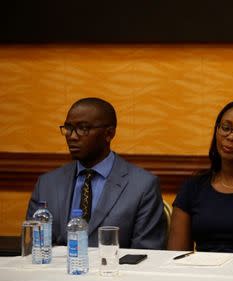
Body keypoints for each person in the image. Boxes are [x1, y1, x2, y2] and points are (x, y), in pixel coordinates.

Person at [26, 97, 166, 249]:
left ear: (109, 133)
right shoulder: (47, 184)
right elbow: (34, 245)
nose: (72, 136)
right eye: (68, 128)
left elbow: (146, 254)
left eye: (83, 128)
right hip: (56, 270)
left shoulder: (142, 186)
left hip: (114, 270)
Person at [167, 100, 233, 253]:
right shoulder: (194, 187)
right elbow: (177, 255)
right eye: (225, 128)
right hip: (203, 273)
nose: (231, 136)